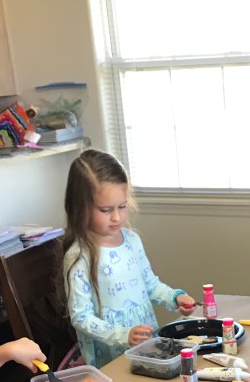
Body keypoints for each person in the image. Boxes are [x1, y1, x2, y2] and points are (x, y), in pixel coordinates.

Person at [62, 149, 196, 368]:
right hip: (111, 358)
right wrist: (122, 335)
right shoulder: (79, 256)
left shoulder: (132, 240)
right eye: (106, 210)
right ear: (81, 207)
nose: (117, 217)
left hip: (147, 347)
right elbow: (81, 317)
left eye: (122, 206)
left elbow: (150, 285)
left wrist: (174, 297)